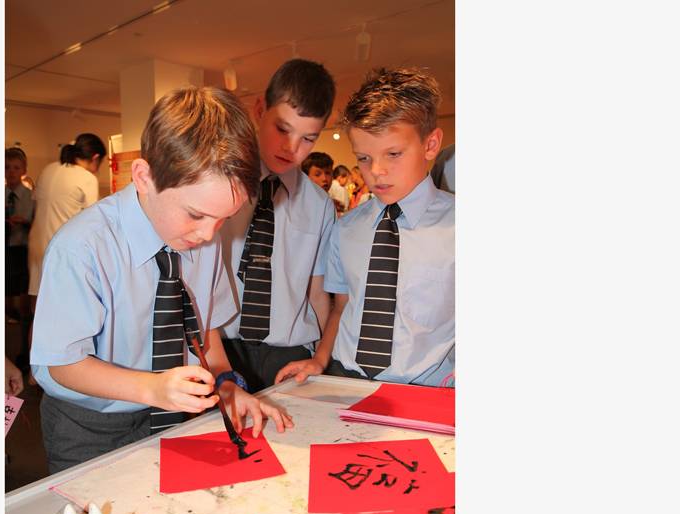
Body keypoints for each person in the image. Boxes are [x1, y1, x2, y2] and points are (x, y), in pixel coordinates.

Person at [30, 86, 293, 474]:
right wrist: (151, 388)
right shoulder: (82, 248)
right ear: (144, 177)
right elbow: (62, 364)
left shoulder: (204, 238)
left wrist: (226, 385)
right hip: (89, 425)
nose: (208, 233)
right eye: (196, 215)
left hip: (171, 410)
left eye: (223, 218)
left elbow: (204, 329)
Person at [276, 66, 455, 389]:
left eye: (393, 154)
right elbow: (342, 307)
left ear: (431, 145)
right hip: (347, 378)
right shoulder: (347, 227)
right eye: (363, 158)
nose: (377, 171)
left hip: (427, 387)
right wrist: (320, 359)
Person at [218, 58, 337, 394]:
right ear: (260, 110)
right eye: (283, 130)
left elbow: (317, 293)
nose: (291, 148)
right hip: (222, 347)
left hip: (289, 353)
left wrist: (326, 359)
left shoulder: (319, 205)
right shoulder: (219, 183)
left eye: (308, 139)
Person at [27, 133, 106, 311]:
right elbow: (94, 220)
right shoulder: (87, 178)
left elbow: (37, 206)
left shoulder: (48, 169)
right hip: (64, 249)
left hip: (37, 244)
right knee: (62, 308)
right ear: (95, 158)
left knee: (38, 305)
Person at [5, 147, 35, 369]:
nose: (11, 171)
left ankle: (25, 354)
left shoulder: (32, 198)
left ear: (23, 170)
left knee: (25, 306)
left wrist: (25, 223)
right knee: (7, 307)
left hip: (24, 253)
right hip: (4, 253)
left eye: (16, 167)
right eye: (7, 167)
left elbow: (37, 224)